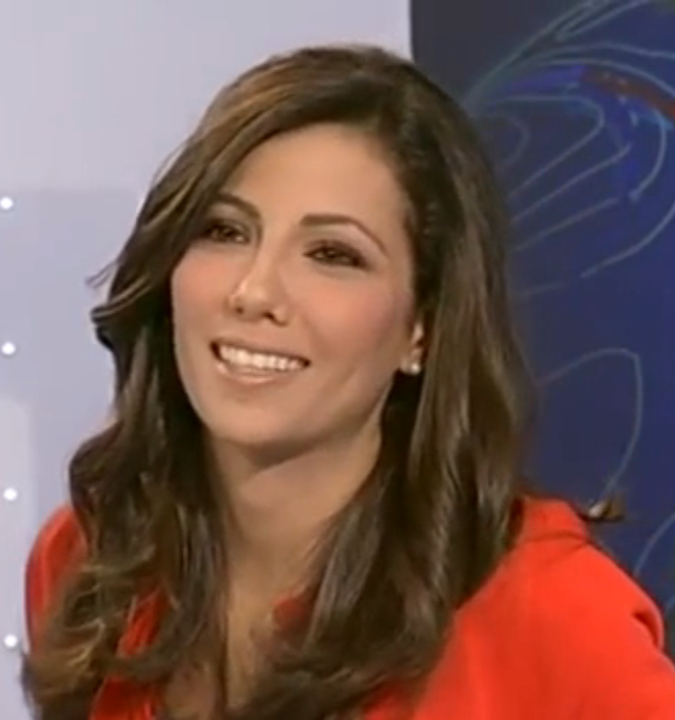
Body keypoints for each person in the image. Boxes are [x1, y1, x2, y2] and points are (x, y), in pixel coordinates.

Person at [21, 44, 675, 720]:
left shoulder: (547, 615)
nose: (254, 291)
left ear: (420, 328)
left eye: (332, 254)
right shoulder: (89, 563)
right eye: (224, 231)